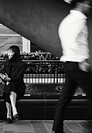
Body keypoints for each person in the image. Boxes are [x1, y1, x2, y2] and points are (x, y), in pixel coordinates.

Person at [52, 0, 92, 133]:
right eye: (87, 3)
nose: (89, 6)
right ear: (80, 4)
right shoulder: (79, 20)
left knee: (64, 99)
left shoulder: (67, 20)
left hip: (69, 63)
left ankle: (57, 129)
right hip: (77, 64)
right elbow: (72, 41)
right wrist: (82, 60)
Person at [0, 45, 26, 124]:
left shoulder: (22, 65)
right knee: (9, 87)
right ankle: (14, 110)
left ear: (15, 53)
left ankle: (9, 115)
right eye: (8, 52)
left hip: (19, 87)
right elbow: (3, 72)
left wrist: (9, 79)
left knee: (11, 86)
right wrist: (3, 76)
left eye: (10, 52)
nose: (8, 53)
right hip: (9, 85)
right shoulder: (7, 62)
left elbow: (18, 78)